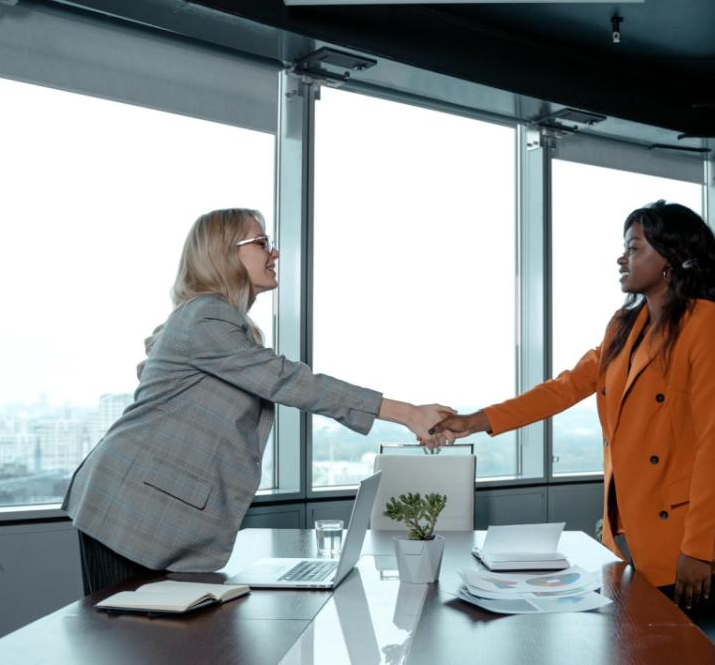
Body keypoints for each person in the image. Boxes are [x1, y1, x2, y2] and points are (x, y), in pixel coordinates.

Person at [64, 208, 450, 594]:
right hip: (128, 510)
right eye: (262, 242)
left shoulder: (221, 323)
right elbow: (290, 381)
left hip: (150, 512)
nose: (274, 252)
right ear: (225, 253)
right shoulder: (206, 317)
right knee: (124, 640)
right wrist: (408, 413)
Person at [430, 200, 715, 611]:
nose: (622, 258)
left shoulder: (705, 323)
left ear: (672, 259)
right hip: (626, 526)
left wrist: (699, 548)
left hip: (684, 531)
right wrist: (476, 421)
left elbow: (712, 444)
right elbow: (563, 388)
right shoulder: (623, 325)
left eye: (635, 248)